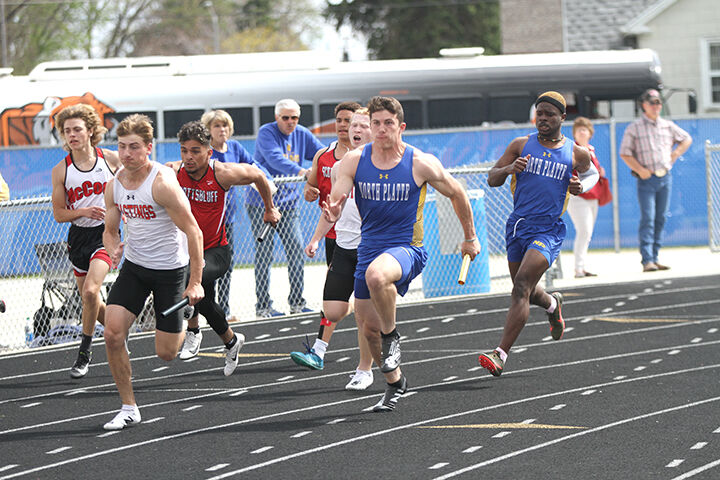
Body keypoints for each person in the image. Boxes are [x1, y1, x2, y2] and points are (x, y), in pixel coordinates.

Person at [324, 96, 481, 411]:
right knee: (368, 329)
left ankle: (392, 336)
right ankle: (396, 382)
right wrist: (336, 205)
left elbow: (457, 192)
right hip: (369, 249)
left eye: (388, 124)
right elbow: (339, 189)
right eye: (376, 124)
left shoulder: (420, 162)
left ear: (401, 127)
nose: (381, 130)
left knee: (377, 276)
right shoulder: (353, 161)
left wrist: (470, 237)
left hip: (407, 248)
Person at [478, 92, 596, 378]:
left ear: (562, 118)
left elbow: (592, 174)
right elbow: (492, 179)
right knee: (527, 291)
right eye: (539, 113)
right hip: (518, 226)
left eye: (549, 114)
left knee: (520, 286)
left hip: (549, 229)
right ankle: (552, 304)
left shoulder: (575, 152)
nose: (543, 118)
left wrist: (581, 187)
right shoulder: (521, 145)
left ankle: (500, 354)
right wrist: (508, 168)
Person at [101, 114, 204, 430]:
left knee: (166, 353)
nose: (127, 153)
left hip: (169, 271)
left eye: (134, 147)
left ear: (148, 147)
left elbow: (193, 232)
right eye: (121, 147)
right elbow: (109, 229)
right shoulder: (115, 184)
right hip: (135, 267)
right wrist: (113, 246)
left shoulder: (161, 184)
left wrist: (196, 282)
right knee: (113, 332)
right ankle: (128, 406)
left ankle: (192, 326)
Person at [168, 121, 280, 374]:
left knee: (186, 281)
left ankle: (193, 330)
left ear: (209, 152)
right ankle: (231, 341)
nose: (188, 157)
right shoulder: (173, 172)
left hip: (215, 251)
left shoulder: (223, 173)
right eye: (184, 150)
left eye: (195, 151)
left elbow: (258, 175)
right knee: (206, 303)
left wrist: (269, 208)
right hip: (187, 251)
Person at [290, 107, 377, 391]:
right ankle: (377, 326)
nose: (354, 129)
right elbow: (331, 210)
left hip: (372, 248)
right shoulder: (339, 165)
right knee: (335, 308)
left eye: (362, 125)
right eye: (352, 124)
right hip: (342, 244)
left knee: (364, 312)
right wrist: (315, 238)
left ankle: (364, 368)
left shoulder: (385, 165)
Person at [50, 104, 121, 379]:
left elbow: (135, 180)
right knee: (89, 300)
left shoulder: (110, 159)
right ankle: (118, 333)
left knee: (91, 292)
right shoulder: (61, 171)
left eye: (77, 129)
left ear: (91, 131)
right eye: (67, 131)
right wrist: (82, 211)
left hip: (105, 234)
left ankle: (84, 352)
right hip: (78, 237)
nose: (72, 135)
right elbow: (58, 214)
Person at [247, 98, 325, 318]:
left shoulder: (301, 133)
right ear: (277, 118)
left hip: (289, 203)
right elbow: (275, 159)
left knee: (296, 249)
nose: (291, 122)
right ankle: (263, 306)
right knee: (264, 254)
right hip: (262, 203)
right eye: (286, 118)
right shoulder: (266, 133)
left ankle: (297, 302)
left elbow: (320, 153)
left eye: (295, 117)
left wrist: (328, 162)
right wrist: (303, 172)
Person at [200, 110, 275, 322]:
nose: (222, 130)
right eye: (217, 126)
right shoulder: (205, 152)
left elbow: (254, 166)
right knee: (205, 265)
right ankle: (205, 308)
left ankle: (222, 309)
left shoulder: (235, 147)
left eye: (225, 125)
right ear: (208, 130)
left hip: (228, 217)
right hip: (208, 217)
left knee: (226, 266)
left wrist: (267, 181)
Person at [620, 89, 692, 272]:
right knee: (648, 218)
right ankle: (647, 260)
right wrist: (640, 170)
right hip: (647, 179)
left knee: (661, 218)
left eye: (658, 102)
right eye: (652, 102)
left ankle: (655, 256)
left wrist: (675, 154)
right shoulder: (634, 127)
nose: (656, 106)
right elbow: (625, 152)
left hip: (665, 177)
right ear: (644, 105)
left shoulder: (667, 125)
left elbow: (686, 139)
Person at [567, 117, 607, 278]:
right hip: (579, 196)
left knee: (588, 233)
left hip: (592, 195)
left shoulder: (591, 149)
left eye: (585, 129)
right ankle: (578, 268)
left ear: (590, 133)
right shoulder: (573, 150)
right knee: (584, 230)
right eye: (579, 130)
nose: (582, 132)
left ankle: (583, 266)